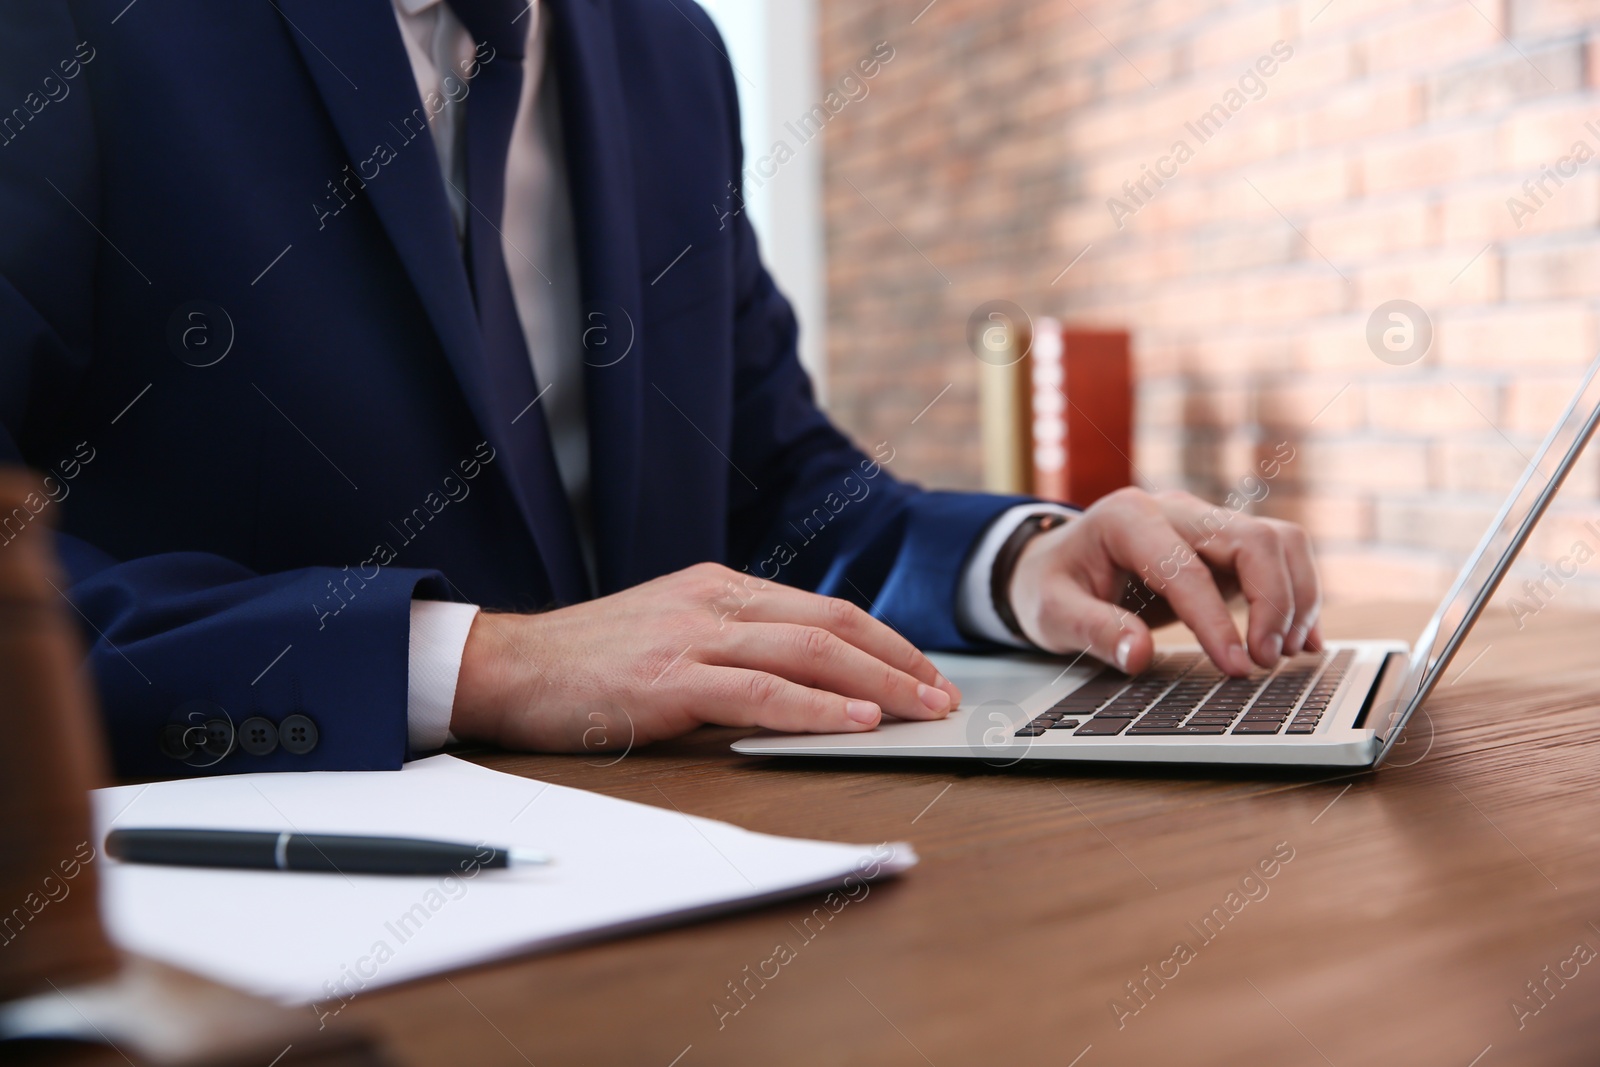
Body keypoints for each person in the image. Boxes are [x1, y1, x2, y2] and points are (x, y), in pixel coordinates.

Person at [0, 0, 1320, 777]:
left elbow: (784, 490)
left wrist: (1020, 561)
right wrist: (478, 666)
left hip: (697, 876)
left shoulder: (669, 51)